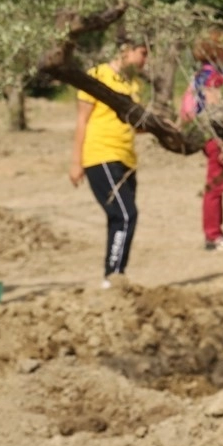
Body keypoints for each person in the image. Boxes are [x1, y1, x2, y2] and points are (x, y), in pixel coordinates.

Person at [69, 36, 148, 289]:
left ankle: (114, 274)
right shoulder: (97, 75)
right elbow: (82, 119)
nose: (145, 61)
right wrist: (76, 161)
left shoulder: (133, 84)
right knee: (126, 214)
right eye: (143, 53)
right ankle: (113, 276)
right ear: (126, 51)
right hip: (100, 155)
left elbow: (135, 124)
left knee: (119, 217)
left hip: (126, 159)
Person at [192, 33, 223, 252]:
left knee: (218, 183)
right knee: (216, 184)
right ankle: (213, 234)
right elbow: (215, 109)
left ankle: (216, 230)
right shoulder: (214, 77)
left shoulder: (200, 74)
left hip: (209, 135)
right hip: (217, 136)